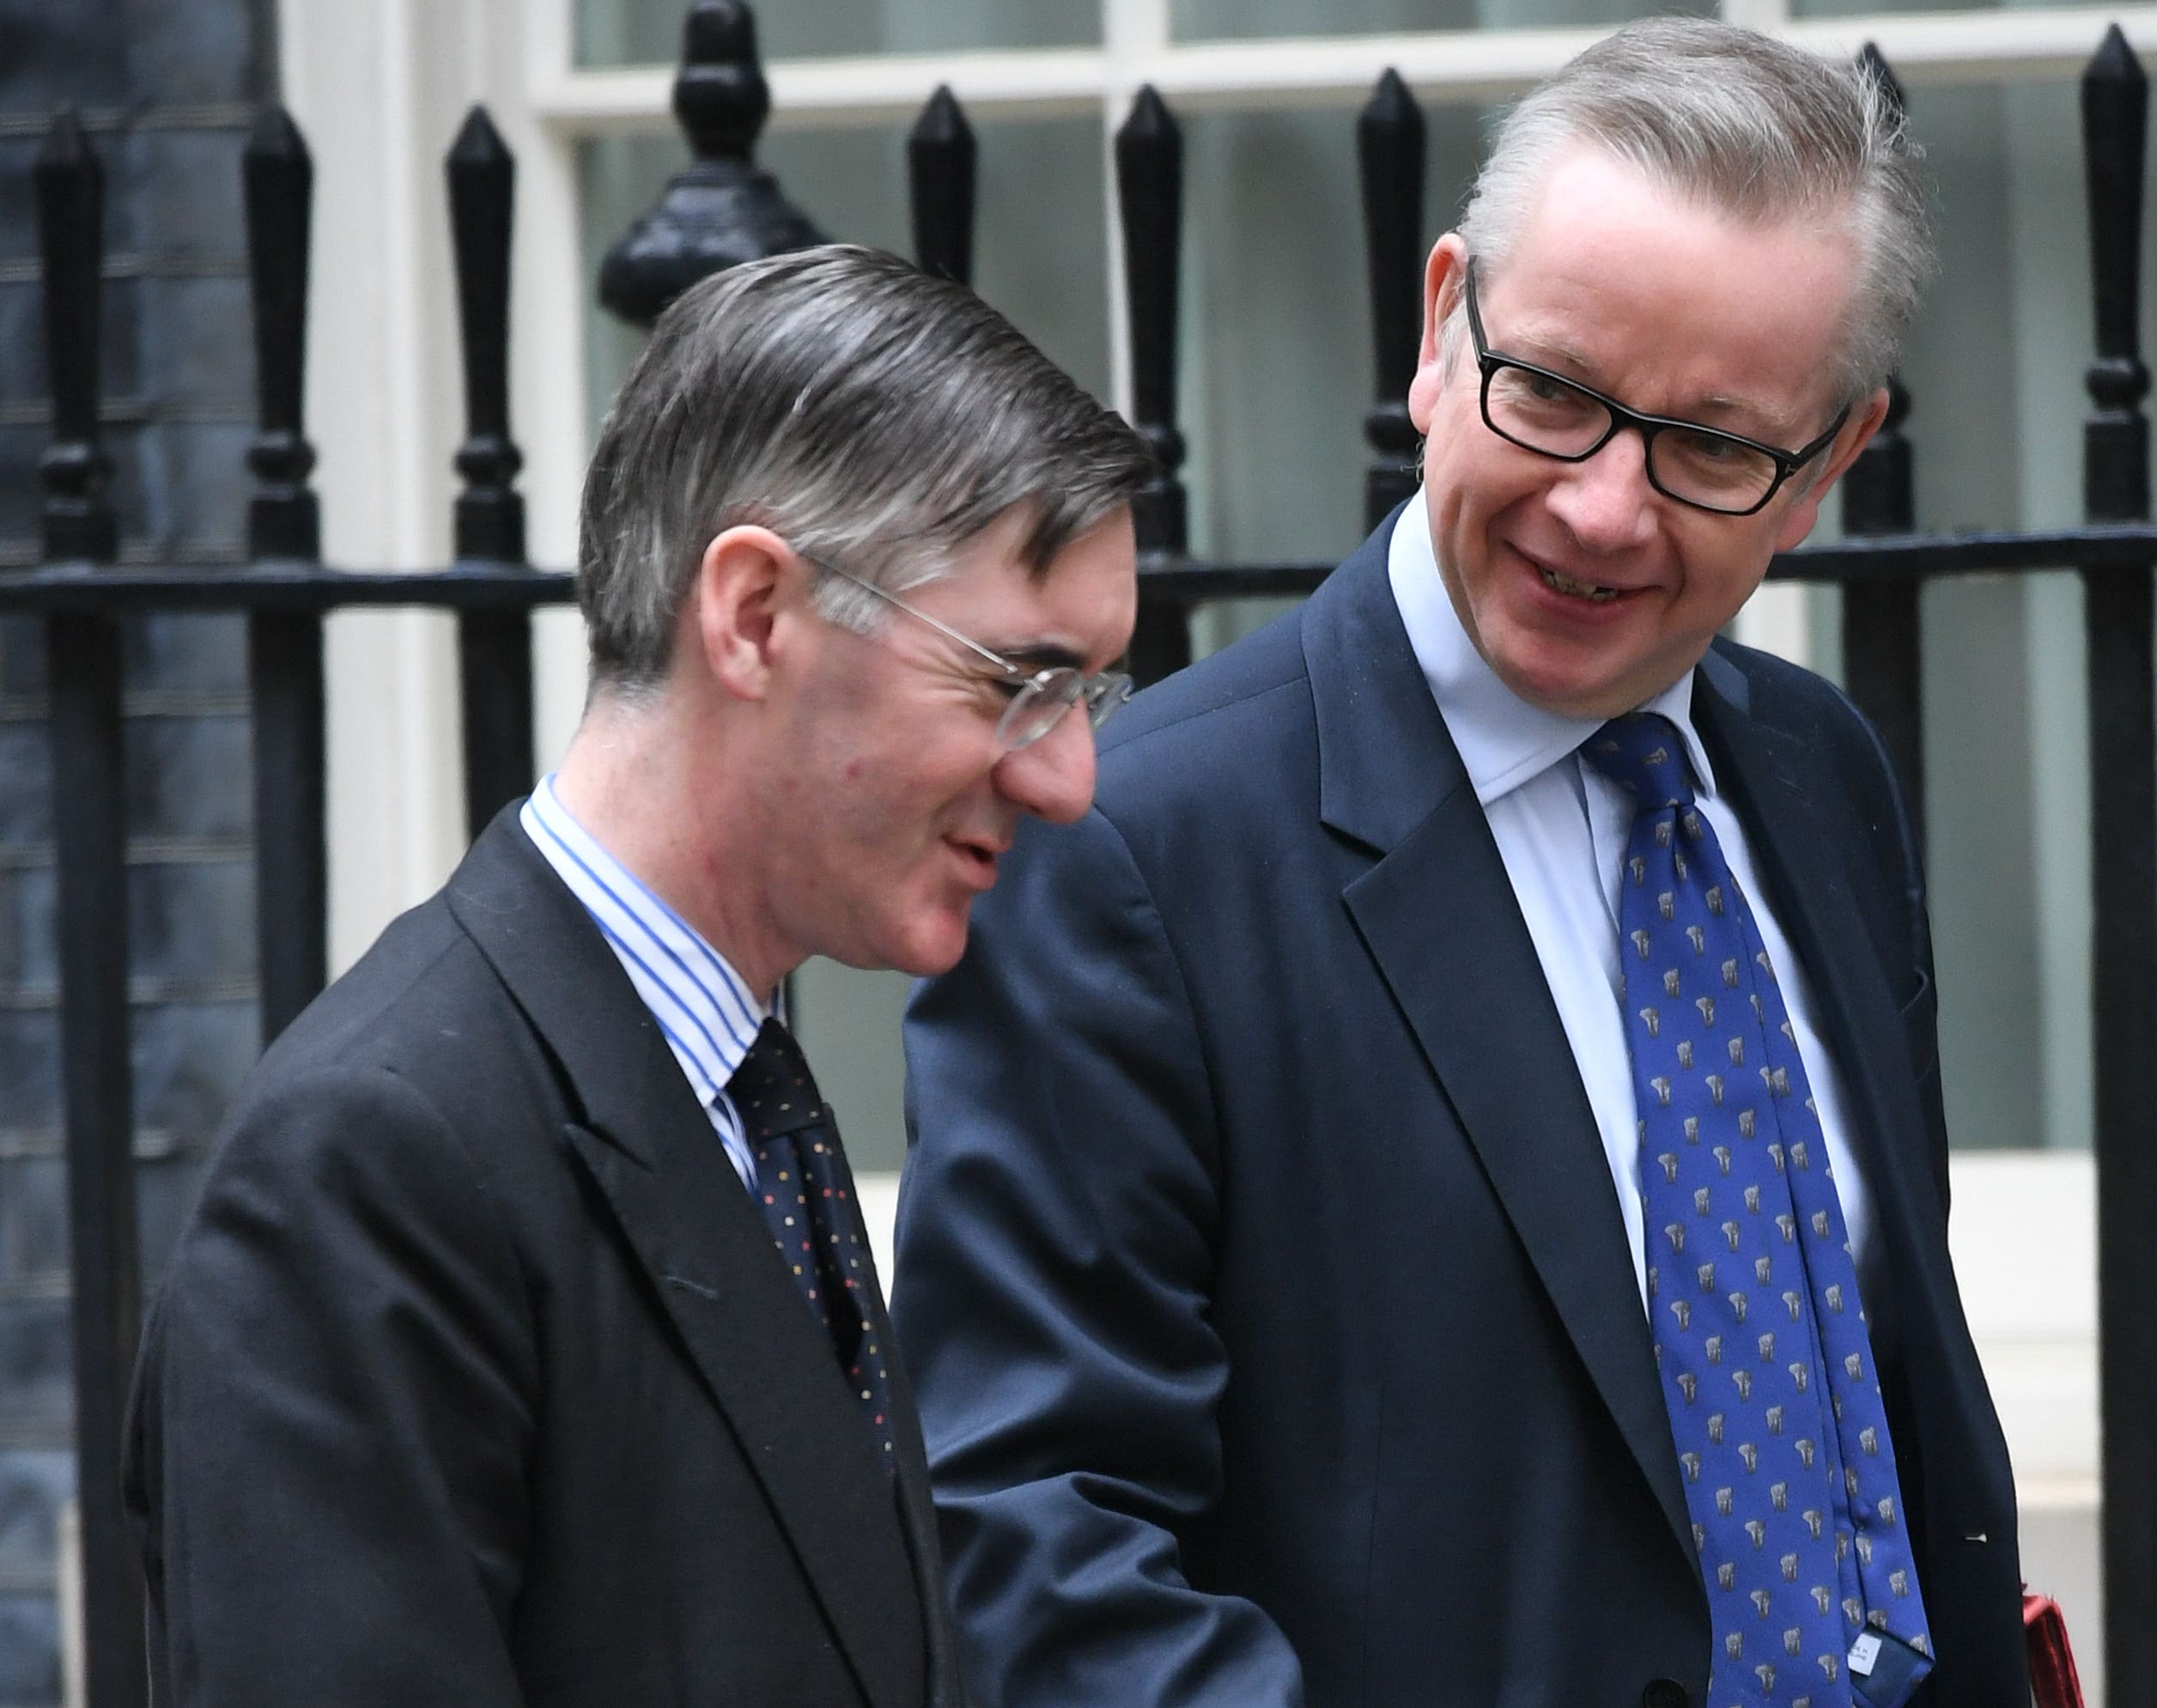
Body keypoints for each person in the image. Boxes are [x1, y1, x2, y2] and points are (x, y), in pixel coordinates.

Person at [894, 21, 2034, 1708]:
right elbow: (1039, 1549)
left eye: (1712, 446)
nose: (1600, 509)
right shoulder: (1128, 849)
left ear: (1828, 466)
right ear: (1442, 325)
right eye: (1555, 393)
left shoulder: (1818, 772)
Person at [122, 245, 1152, 1706]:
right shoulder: (365, 1169)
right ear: (751, 616)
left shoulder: (737, 1081)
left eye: (1090, 694)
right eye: (1018, 681)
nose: (1070, 778)